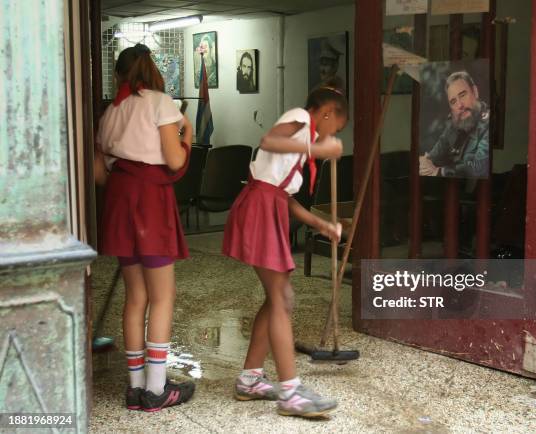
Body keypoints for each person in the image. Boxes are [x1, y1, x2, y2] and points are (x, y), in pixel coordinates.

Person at [222, 84, 347, 418]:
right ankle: (290, 392)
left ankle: (251, 378)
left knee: (277, 297)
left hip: (269, 205)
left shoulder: (301, 144)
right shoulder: (300, 119)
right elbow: (268, 140)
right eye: (336, 128)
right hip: (260, 207)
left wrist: (322, 225)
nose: (333, 136)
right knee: (282, 299)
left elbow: (285, 198)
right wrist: (317, 148)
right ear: (326, 113)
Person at [94, 43, 195, 412]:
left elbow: (98, 175)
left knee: (135, 297)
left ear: (118, 73)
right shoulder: (159, 102)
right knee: (162, 296)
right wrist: (188, 133)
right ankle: (157, 390)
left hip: (120, 201)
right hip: (150, 201)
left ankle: (136, 388)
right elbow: (173, 159)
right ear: (151, 69)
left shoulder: (111, 110)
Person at [419, 70, 489, 178]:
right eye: (453, 101)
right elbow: (433, 156)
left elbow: (480, 167)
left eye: (462, 95)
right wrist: (425, 163)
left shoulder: (487, 123)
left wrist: (440, 172)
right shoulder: (454, 125)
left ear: (475, 92)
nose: (459, 105)